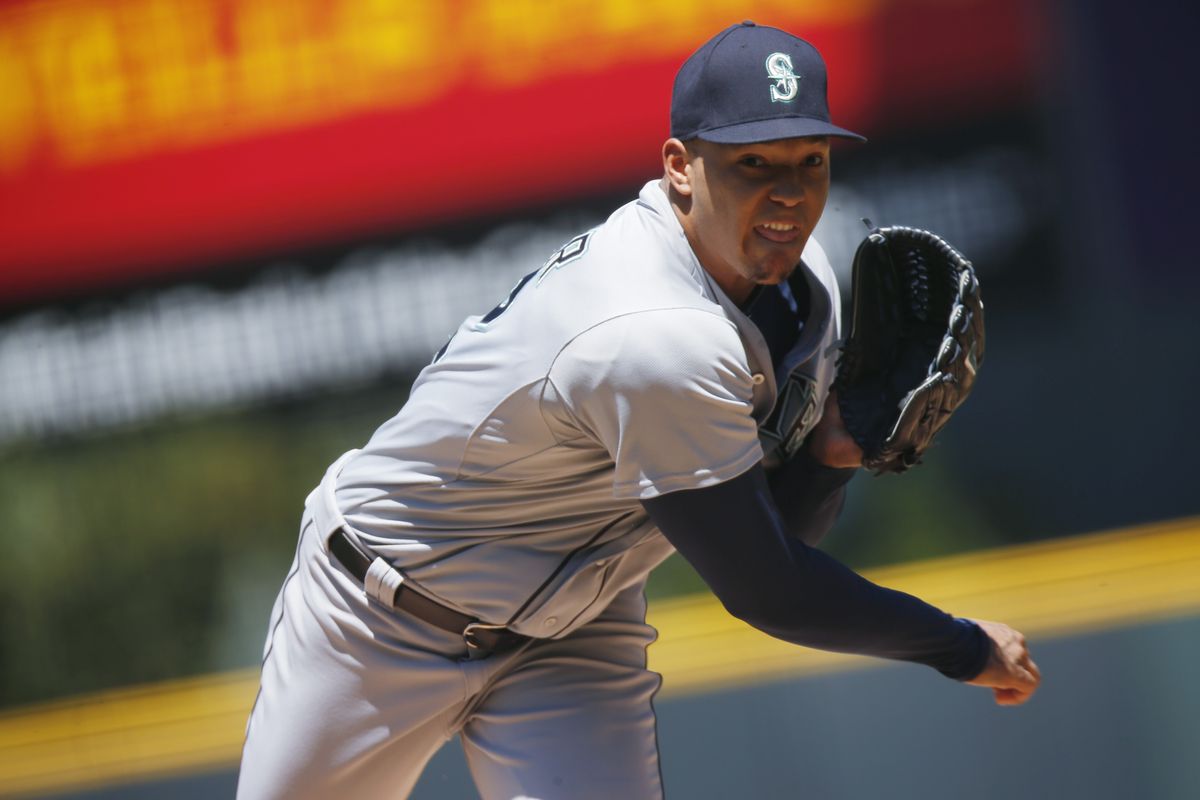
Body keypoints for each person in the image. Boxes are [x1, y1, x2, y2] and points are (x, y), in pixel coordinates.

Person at [236, 21, 1040, 800]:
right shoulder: (654, 333)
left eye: (811, 160)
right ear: (681, 168)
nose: (790, 194)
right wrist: (960, 646)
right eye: (754, 161)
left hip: (572, 630)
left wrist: (827, 454)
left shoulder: (808, 290)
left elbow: (771, 537)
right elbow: (770, 592)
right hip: (379, 615)